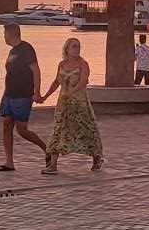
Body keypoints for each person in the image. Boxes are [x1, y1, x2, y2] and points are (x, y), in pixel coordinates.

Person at [41, 36, 104, 171]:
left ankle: (97, 158)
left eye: (79, 46)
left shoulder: (83, 64)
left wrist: (71, 92)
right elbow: (56, 82)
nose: (77, 49)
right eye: (74, 46)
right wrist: (45, 96)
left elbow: (83, 81)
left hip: (79, 103)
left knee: (86, 130)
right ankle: (53, 165)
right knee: (59, 129)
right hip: (63, 103)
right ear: (67, 49)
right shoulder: (62, 64)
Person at [0, 23, 51, 172]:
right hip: (9, 94)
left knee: (22, 130)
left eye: (4, 34)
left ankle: (47, 150)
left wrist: (37, 92)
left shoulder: (26, 49)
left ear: (12, 34)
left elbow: (36, 71)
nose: (3, 37)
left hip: (23, 95)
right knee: (7, 125)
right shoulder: (12, 51)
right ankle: (9, 162)